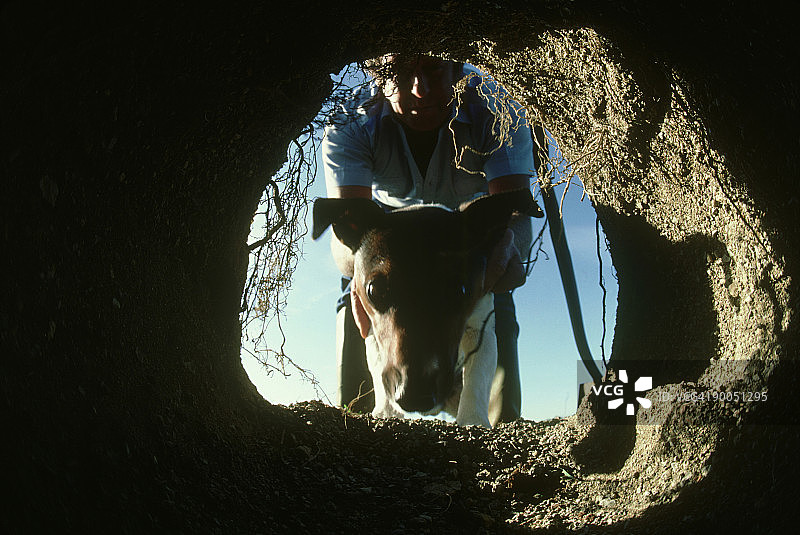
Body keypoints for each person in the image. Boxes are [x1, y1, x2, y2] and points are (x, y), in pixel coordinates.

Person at [321, 54, 536, 423]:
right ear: (377, 73)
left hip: (465, 241)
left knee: (497, 299)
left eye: (434, 68)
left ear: (458, 66)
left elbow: (515, 228)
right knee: (355, 406)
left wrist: (478, 285)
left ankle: (494, 428)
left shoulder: (498, 109)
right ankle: (357, 426)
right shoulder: (350, 120)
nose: (419, 89)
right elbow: (345, 238)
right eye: (400, 71)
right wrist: (367, 283)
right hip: (387, 241)